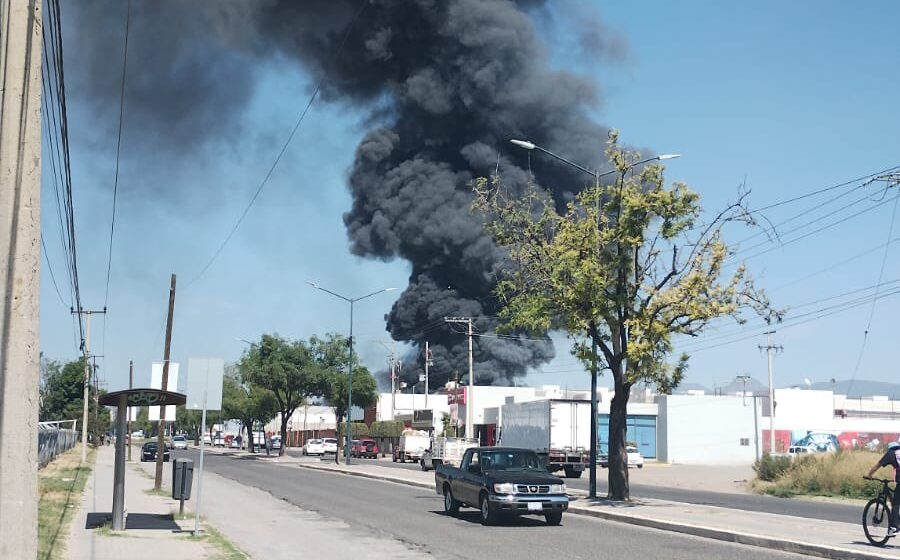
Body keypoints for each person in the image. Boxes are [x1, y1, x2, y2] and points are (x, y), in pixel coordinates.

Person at [867, 440, 900, 537]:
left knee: (896, 503)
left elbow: (878, 465)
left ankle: (894, 528)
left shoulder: (890, 454)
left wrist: (869, 475)